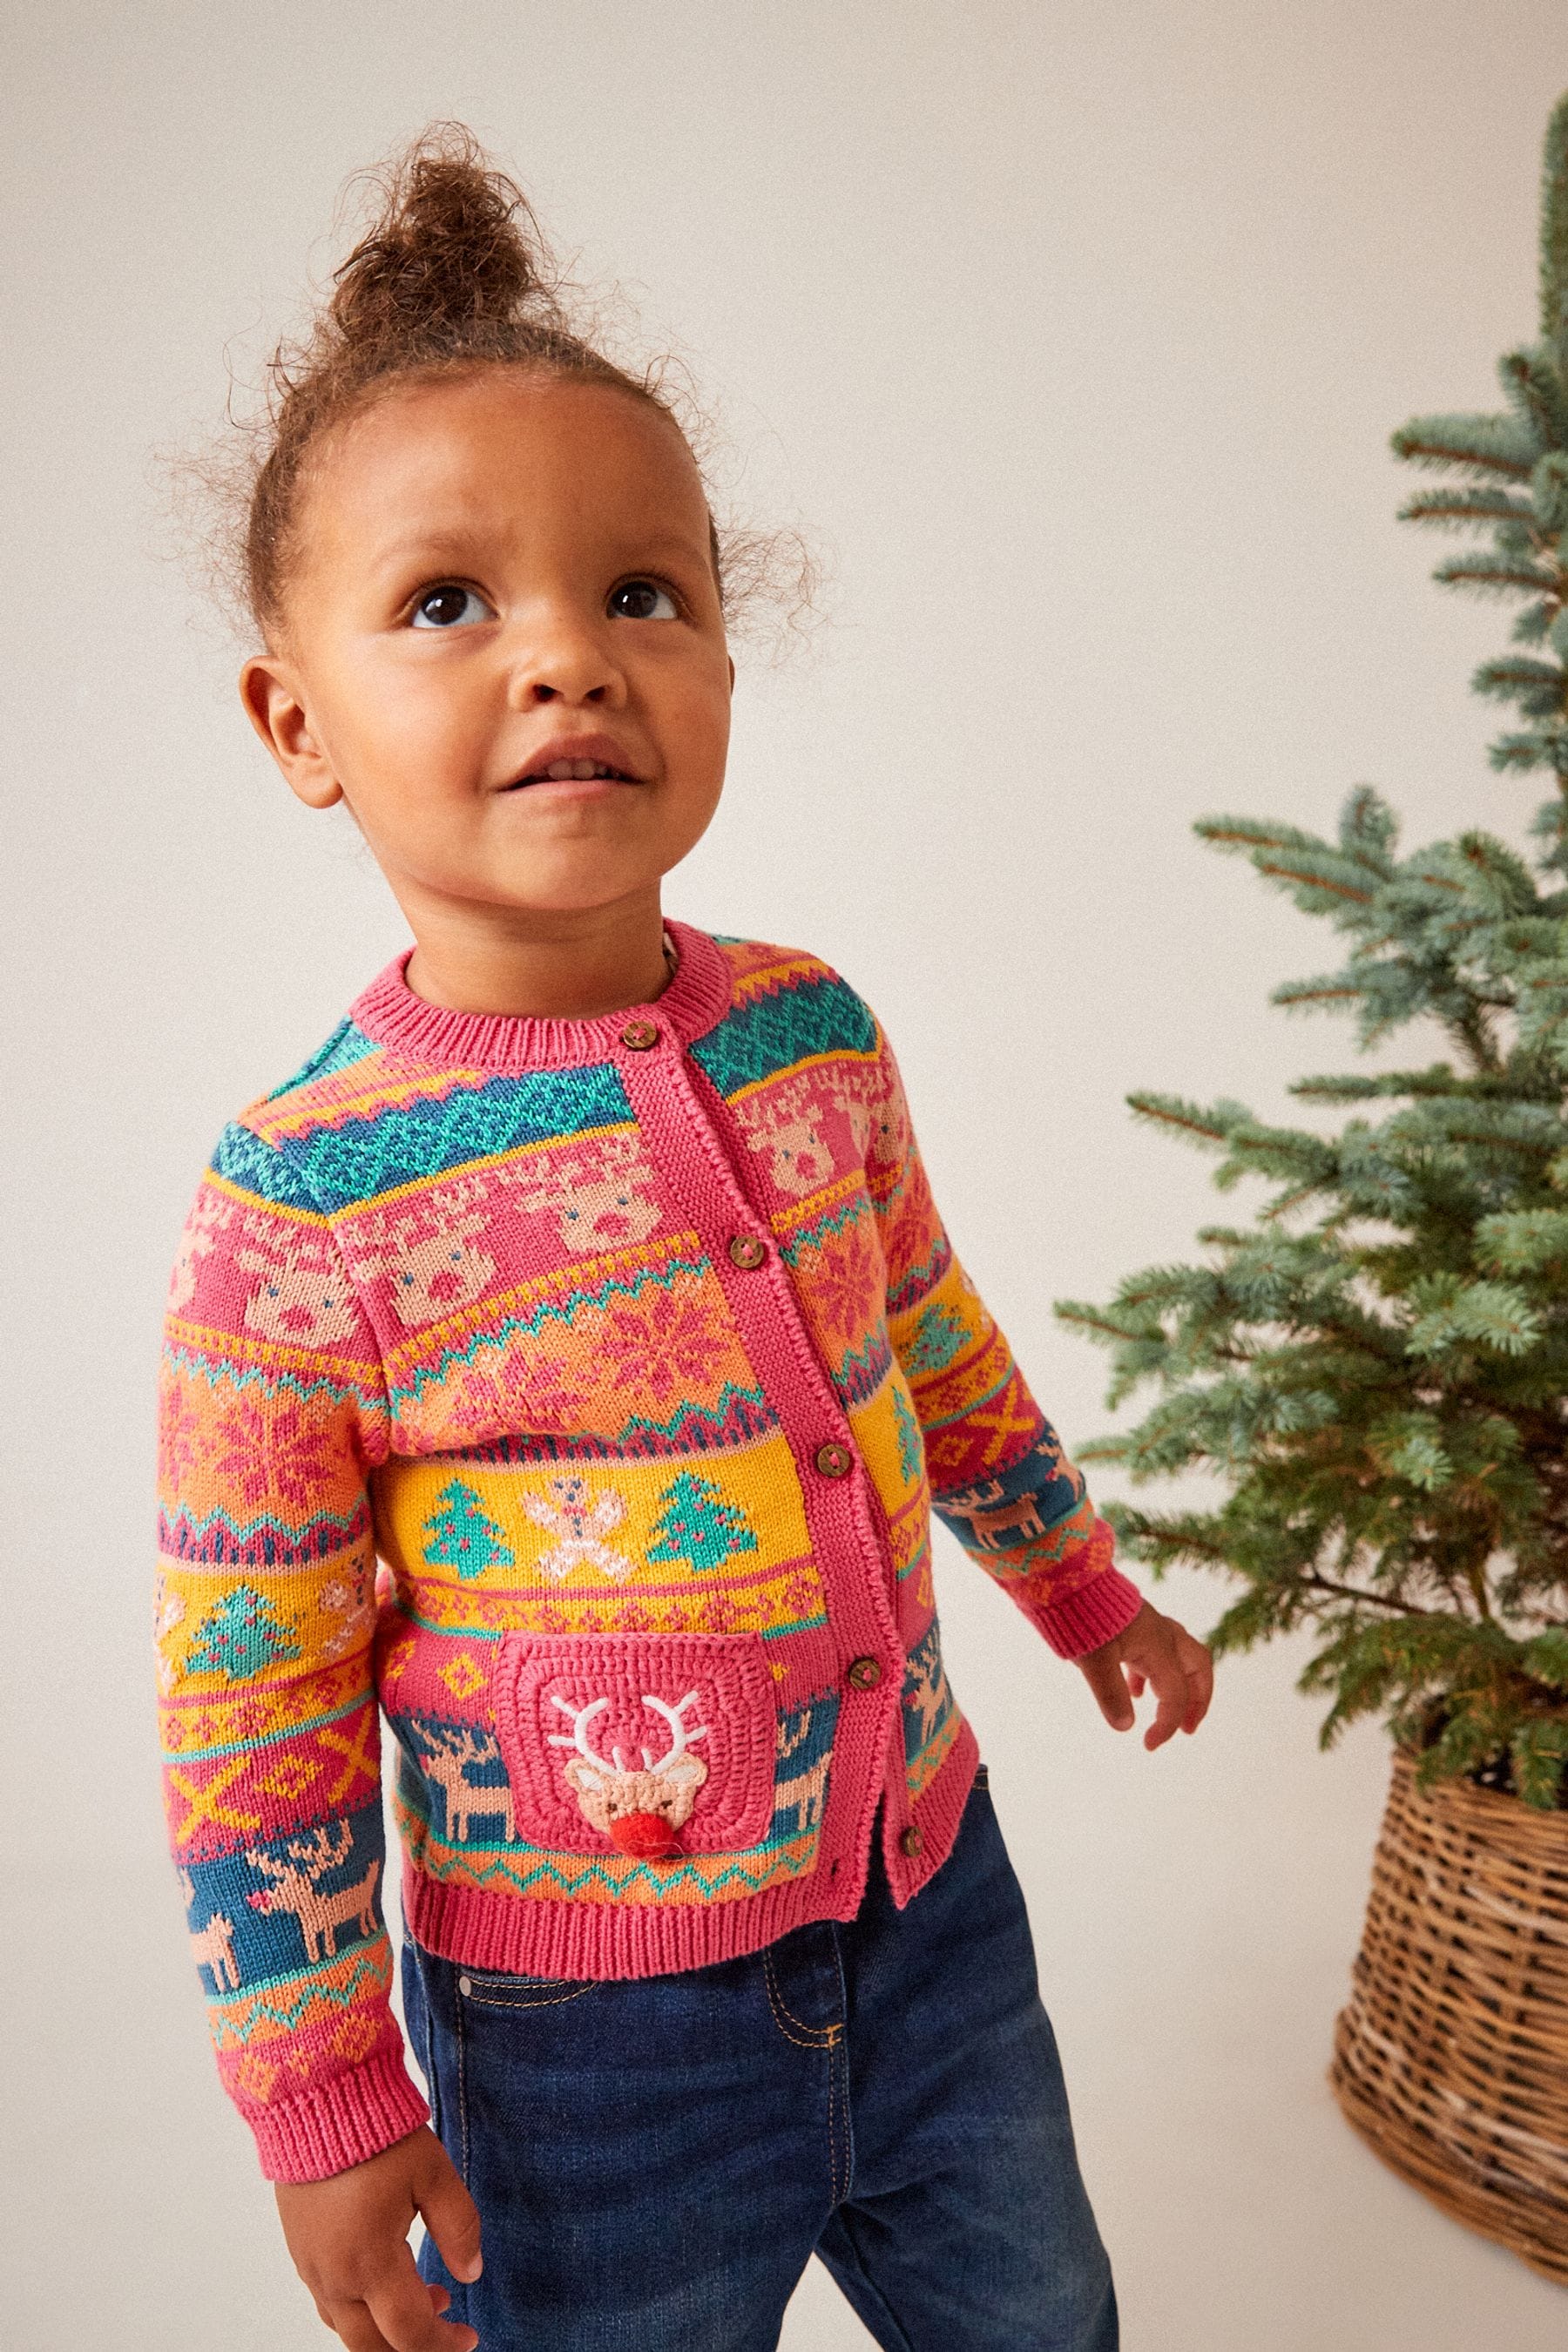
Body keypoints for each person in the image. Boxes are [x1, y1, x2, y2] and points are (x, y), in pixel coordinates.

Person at [154, 124, 1213, 2352]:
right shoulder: (305, 1206)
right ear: (297, 723)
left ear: (726, 652)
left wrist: (1080, 1584)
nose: (567, 661)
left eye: (642, 594)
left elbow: (932, 1336)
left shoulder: (811, 1038)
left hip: (935, 1921)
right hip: (583, 2050)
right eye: (451, 605)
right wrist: (325, 2095)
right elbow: (252, 1697)